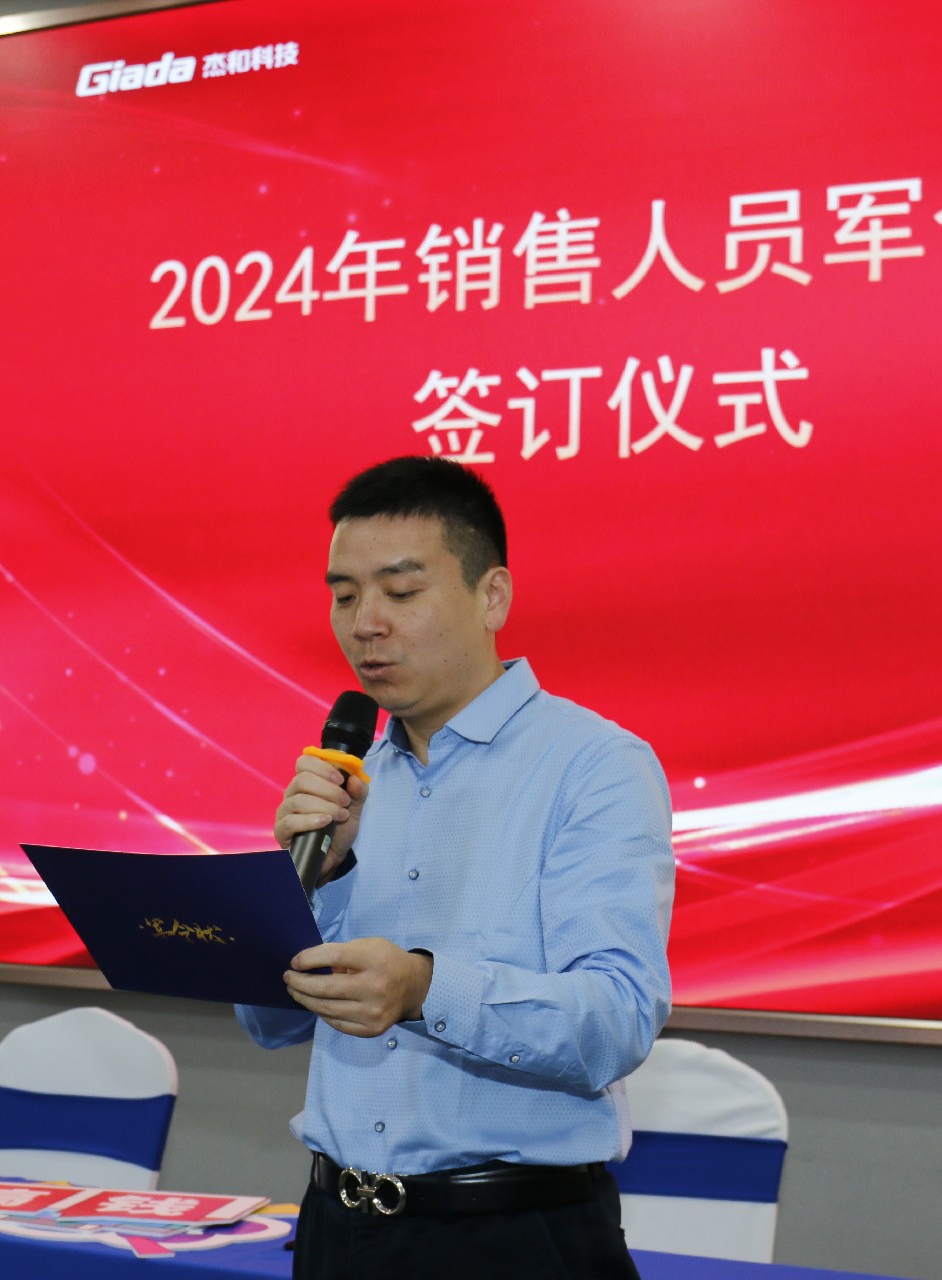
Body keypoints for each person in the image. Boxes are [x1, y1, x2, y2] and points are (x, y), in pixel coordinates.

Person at [235, 455, 675, 1279]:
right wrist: (317, 878)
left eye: (401, 592)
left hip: (511, 1239)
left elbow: (616, 1018)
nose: (366, 623)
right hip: (336, 1230)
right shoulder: (346, 779)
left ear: (492, 596)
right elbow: (269, 1026)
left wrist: (424, 988)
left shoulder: (593, 766)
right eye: (344, 596)